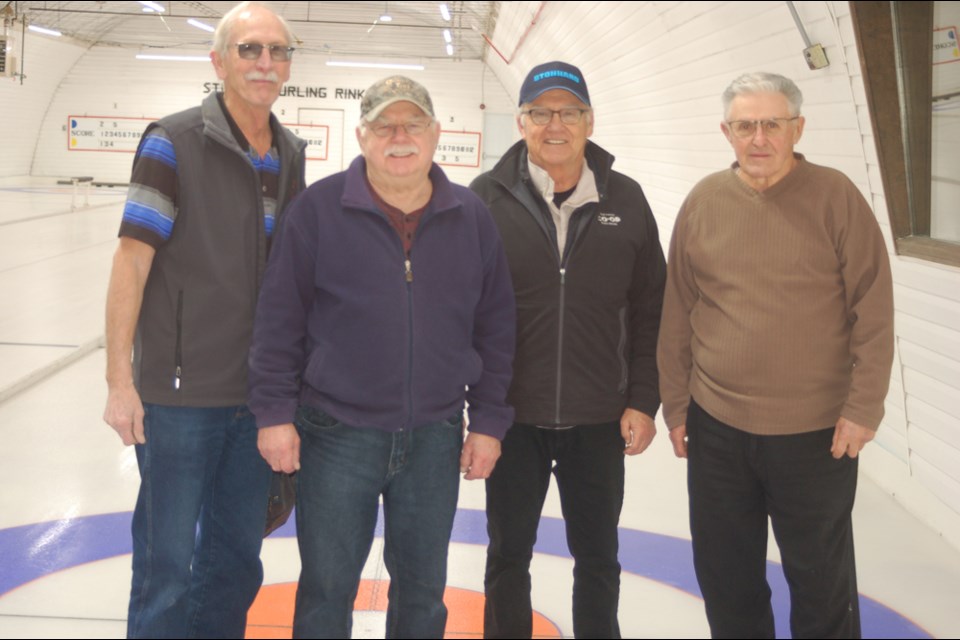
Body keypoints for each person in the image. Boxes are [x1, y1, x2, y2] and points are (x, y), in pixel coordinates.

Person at [249, 75, 516, 639]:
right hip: (335, 432)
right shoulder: (316, 210)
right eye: (384, 126)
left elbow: (496, 329)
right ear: (362, 136)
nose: (400, 137)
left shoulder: (471, 217)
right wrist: (274, 414)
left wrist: (488, 422)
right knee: (327, 587)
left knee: (423, 592)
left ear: (436, 133)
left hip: (435, 435)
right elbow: (279, 320)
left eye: (413, 123)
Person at [657, 71, 895, 639]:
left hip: (816, 435)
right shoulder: (704, 202)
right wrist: (677, 405)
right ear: (727, 132)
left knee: (821, 583)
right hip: (718, 428)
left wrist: (864, 407)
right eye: (745, 126)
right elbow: (677, 312)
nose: (758, 138)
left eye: (771, 124)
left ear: (797, 128)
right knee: (726, 578)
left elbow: (875, 308)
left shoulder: (835, 196)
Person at [101, 2, 305, 637]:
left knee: (236, 562)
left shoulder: (291, 153)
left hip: (258, 401)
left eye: (277, 51)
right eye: (249, 50)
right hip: (179, 398)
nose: (264, 63)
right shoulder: (174, 142)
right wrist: (119, 381)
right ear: (219, 61)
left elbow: (293, 282)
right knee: (167, 568)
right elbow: (131, 264)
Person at [470, 61, 666, 639]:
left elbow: (652, 307)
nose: (555, 124)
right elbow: (463, 310)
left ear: (589, 120)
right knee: (508, 555)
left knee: (599, 558)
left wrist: (643, 399)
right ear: (521, 121)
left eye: (569, 111)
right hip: (512, 416)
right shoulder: (485, 199)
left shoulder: (625, 199)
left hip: (600, 417)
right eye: (541, 112)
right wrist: (478, 411)